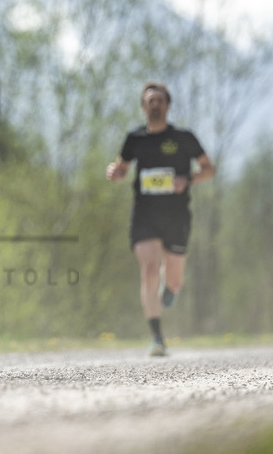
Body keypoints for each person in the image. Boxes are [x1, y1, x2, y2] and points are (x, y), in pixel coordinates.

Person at [106, 82, 215, 357]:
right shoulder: (135, 139)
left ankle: (172, 288)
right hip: (145, 214)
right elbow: (121, 167)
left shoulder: (183, 137)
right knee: (149, 269)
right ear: (143, 107)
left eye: (159, 100)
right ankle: (157, 337)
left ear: (168, 105)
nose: (154, 105)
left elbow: (209, 169)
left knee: (174, 280)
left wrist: (188, 179)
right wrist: (115, 172)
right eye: (150, 101)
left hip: (177, 215)